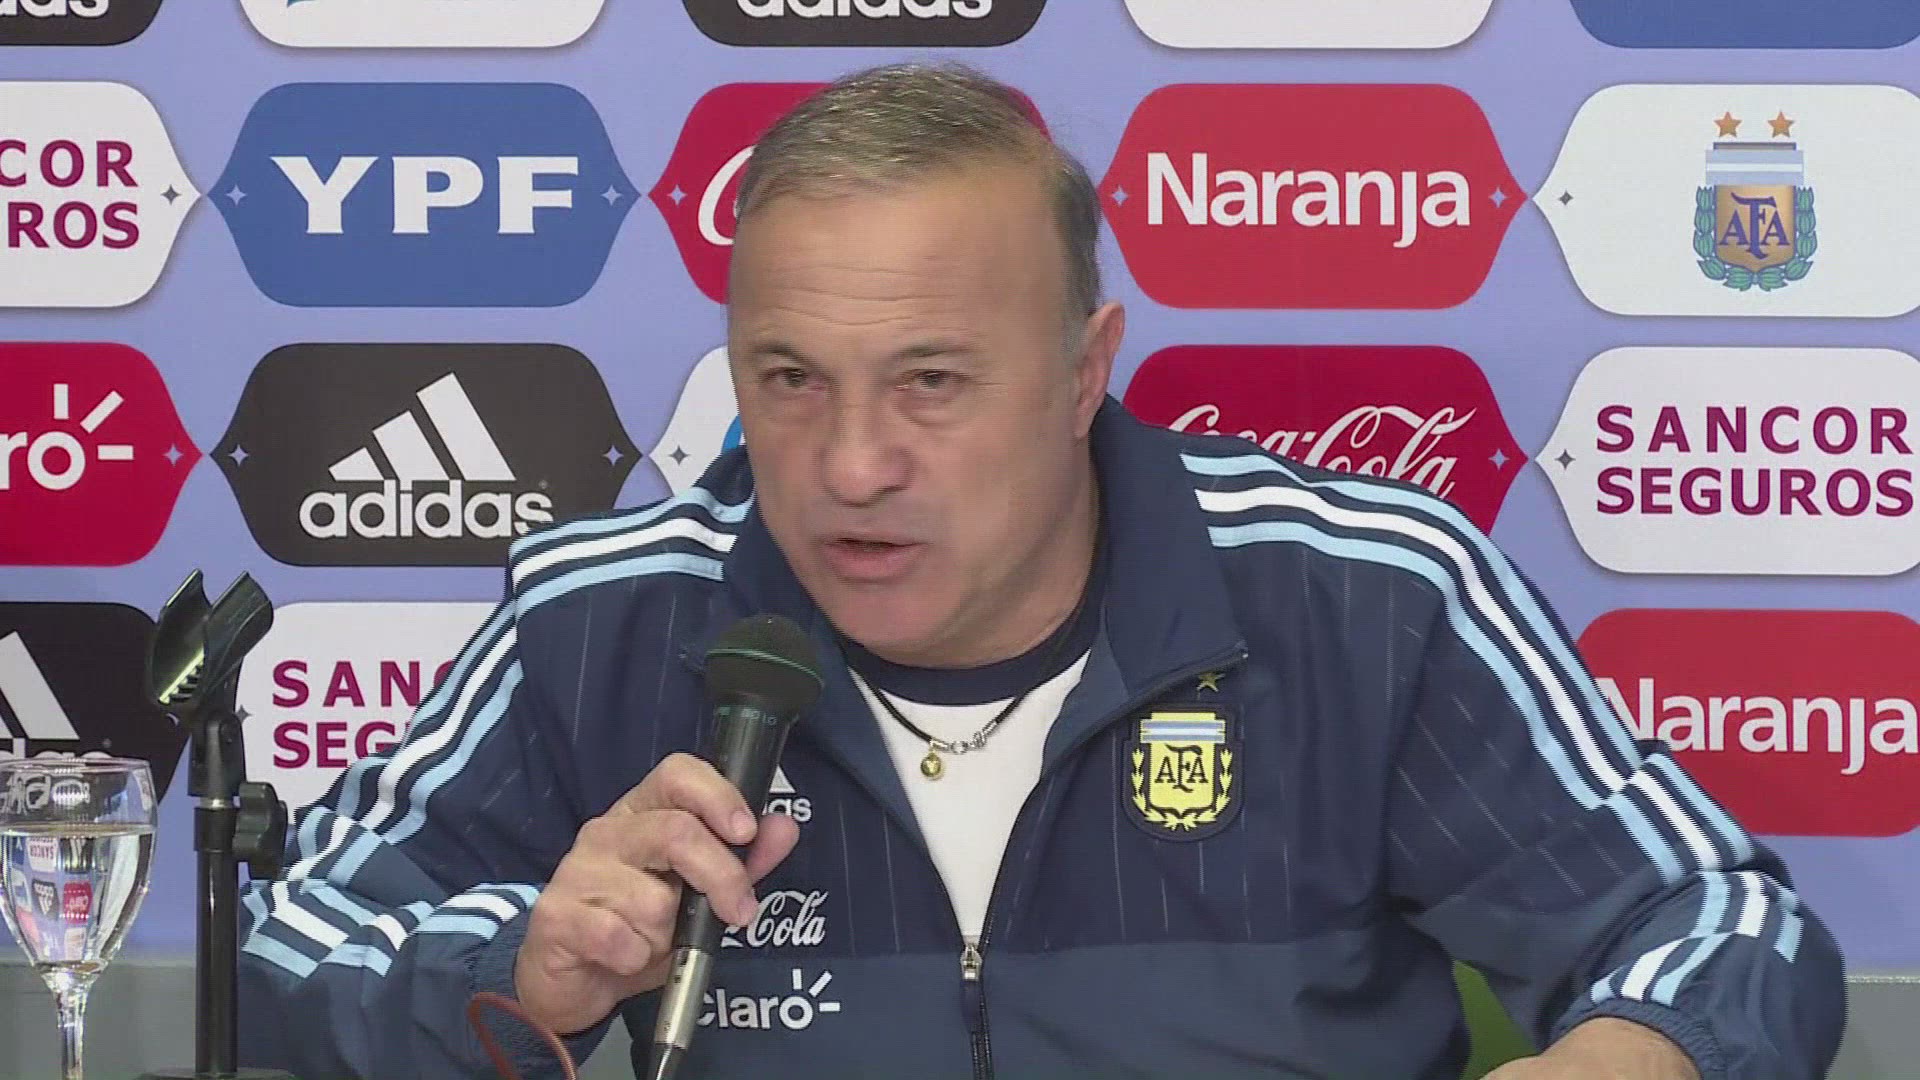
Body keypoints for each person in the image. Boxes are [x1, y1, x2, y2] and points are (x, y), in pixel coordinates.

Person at [236, 62, 1845, 1080]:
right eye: (788, 379)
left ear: (1085, 373)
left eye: (932, 382)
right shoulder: (602, 619)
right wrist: (514, 963)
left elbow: (1719, 924)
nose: (851, 464)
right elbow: (276, 950)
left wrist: (1627, 1059)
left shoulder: (1366, 598)